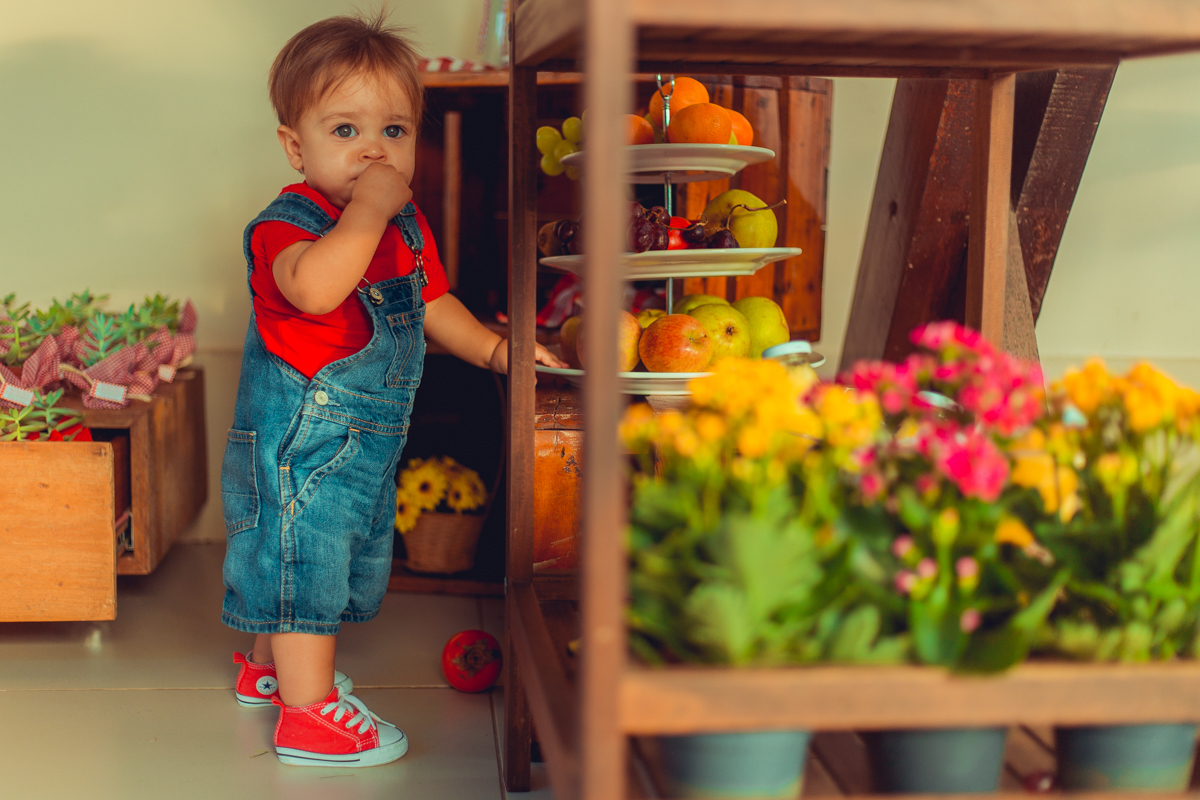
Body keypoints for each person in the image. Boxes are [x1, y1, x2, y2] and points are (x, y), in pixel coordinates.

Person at [221, 13, 563, 768]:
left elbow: (433, 302)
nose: (375, 150)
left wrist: (495, 348)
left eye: (395, 131)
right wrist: (370, 210)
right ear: (295, 147)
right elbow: (316, 290)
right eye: (346, 130)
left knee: (312, 549)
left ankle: (265, 671)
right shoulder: (284, 227)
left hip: (362, 434)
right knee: (304, 558)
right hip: (302, 436)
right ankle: (307, 715)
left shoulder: (406, 228)